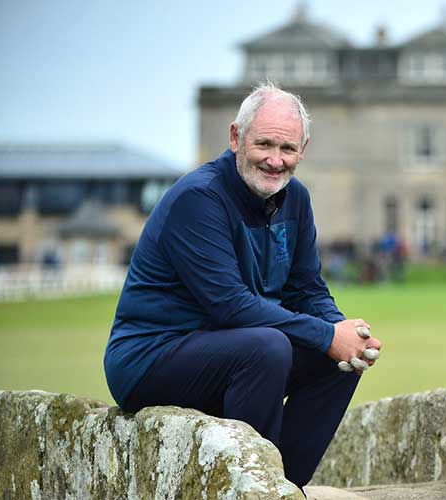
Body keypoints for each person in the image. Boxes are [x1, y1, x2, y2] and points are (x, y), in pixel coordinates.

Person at [103, 82, 382, 487]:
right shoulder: (198, 199)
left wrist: (344, 333)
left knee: (341, 359)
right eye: (264, 144)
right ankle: (253, 489)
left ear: (303, 149)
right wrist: (325, 334)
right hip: (152, 356)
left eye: (287, 149)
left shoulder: (296, 198)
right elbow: (229, 306)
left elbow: (307, 290)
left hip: (232, 348)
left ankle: (283, 486)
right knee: (268, 347)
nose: (275, 160)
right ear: (236, 137)